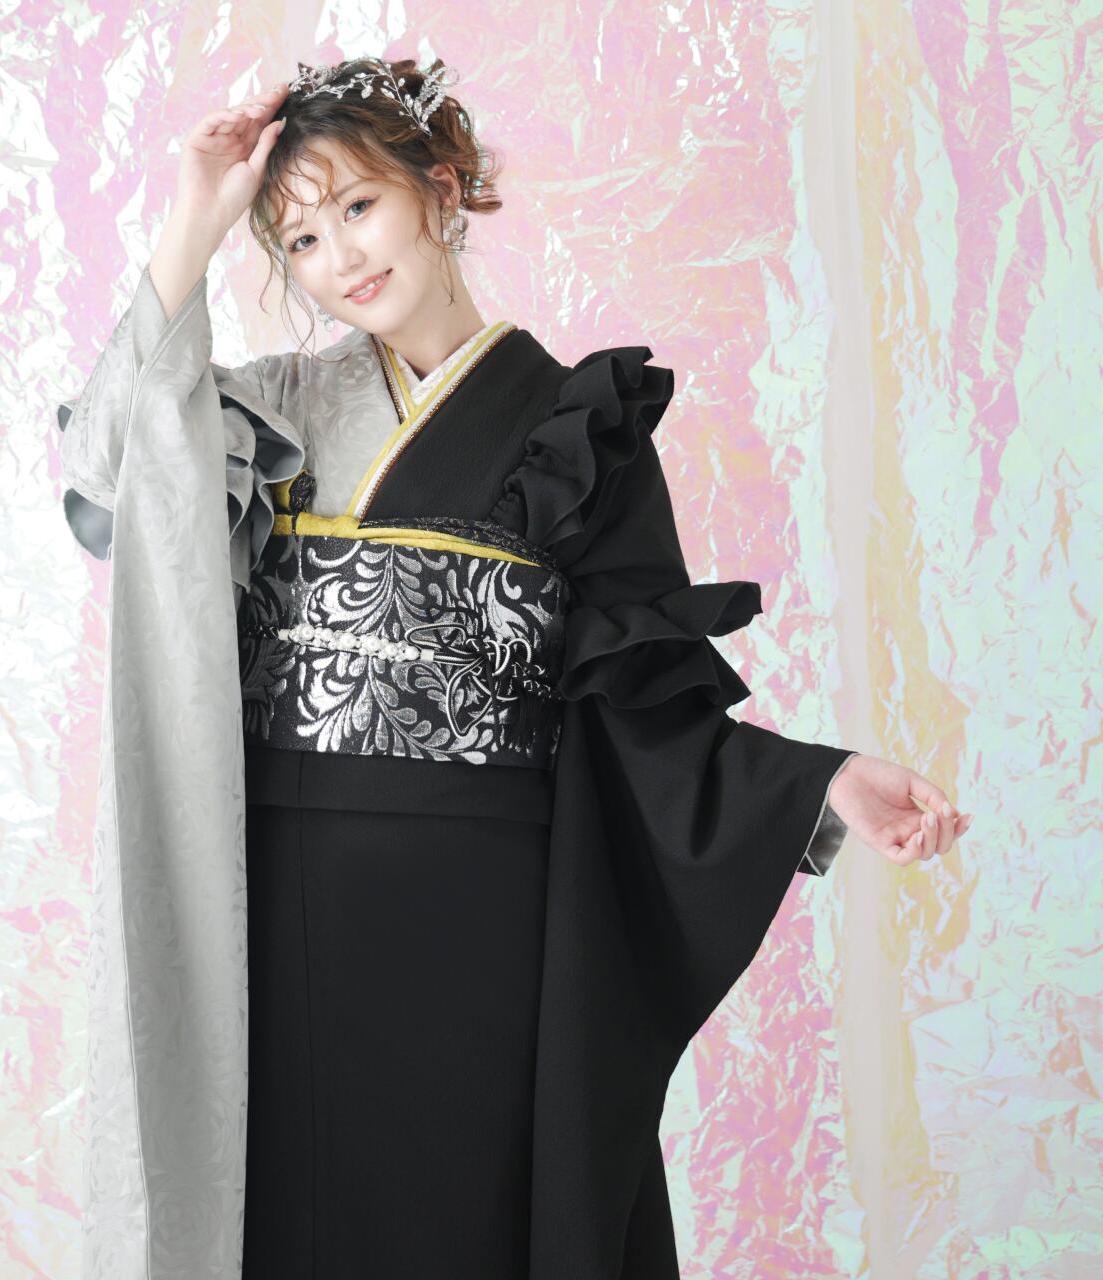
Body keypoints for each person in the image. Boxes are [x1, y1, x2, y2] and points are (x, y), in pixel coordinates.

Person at [56, 55, 973, 1280]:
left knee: (470, 1220)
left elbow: (643, 703)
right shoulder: (273, 409)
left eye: (359, 206)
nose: (339, 256)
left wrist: (821, 782)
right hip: (281, 898)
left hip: (480, 914)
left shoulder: (573, 427)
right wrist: (194, 217)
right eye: (302, 239)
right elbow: (112, 469)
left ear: (440, 187)